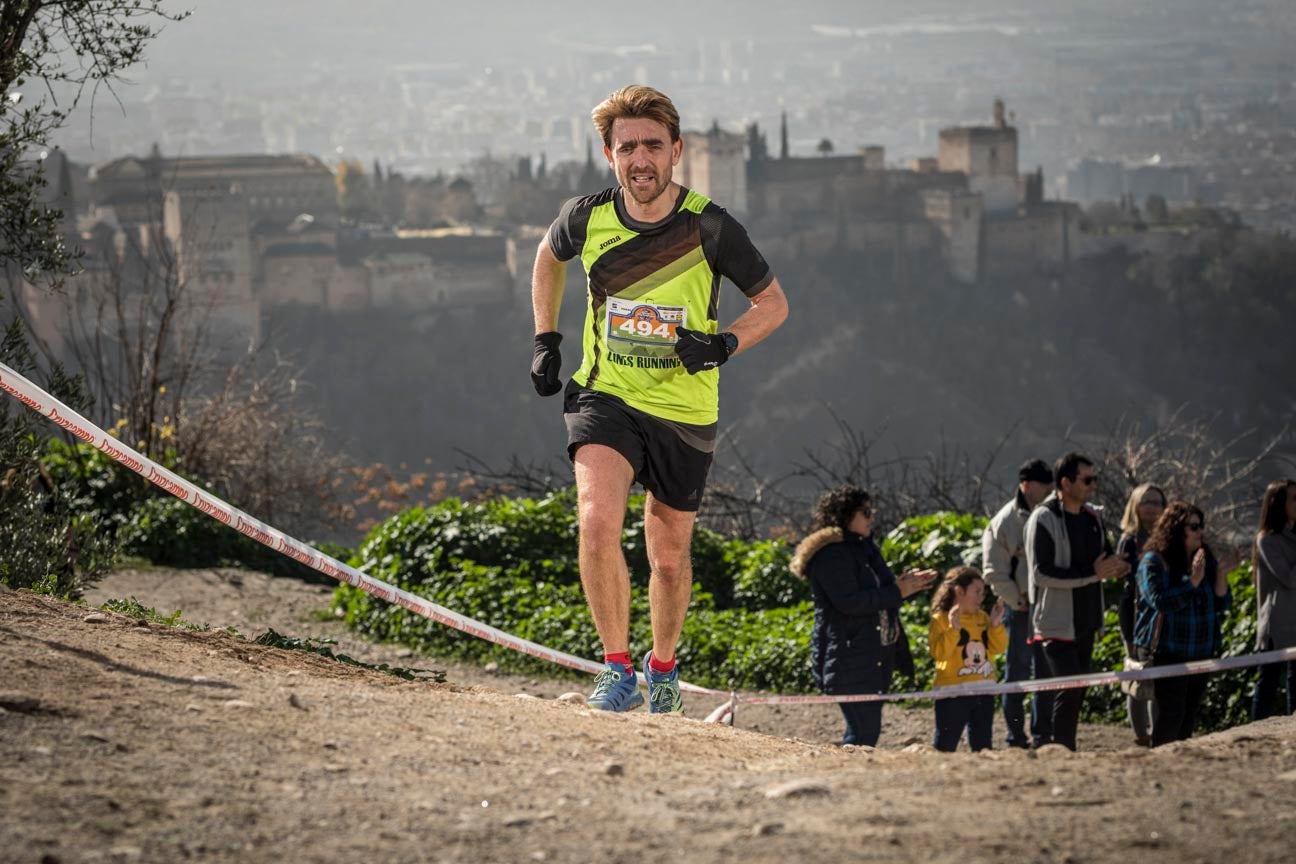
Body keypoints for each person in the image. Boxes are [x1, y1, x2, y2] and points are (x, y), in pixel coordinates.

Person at [529, 85, 789, 714]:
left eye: (652, 145)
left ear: (676, 151)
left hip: (685, 411)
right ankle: (616, 670)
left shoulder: (711, 226)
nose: (639, 158)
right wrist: (545, 338)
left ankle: (663, 669)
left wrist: (723, 344)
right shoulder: (586, 218)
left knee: (668, 561)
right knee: (596, 525)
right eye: (627, 147)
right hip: (605, 396)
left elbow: (774, 305)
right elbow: (546, 254)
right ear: (608, 154)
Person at [791, 485, 938, 746]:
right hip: (848, 655)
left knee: (866, 730)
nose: (872, 517)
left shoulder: (864, 548)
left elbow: (883, 592)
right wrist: (898, 591)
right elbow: (850, 602)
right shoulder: (831, 555)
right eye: (866, 512)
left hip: (872, 654)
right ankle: (840, 776)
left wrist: (906, 584)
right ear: (846, 515)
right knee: (863, 731)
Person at [1024, 452, 1130, 750]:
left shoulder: (1093, 517)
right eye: (1087, 480)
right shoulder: (1042, 519)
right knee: (1068, 689)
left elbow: (1104, 560)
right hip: (1054, 623)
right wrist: (1092, 574)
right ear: (1065, 483)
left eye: (1095, 479)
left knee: (1077, 690)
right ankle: (1059, 750)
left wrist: (1118, 566)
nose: (1093, 485)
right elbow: (1041, 574)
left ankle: (1062, 748)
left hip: (1086, 620)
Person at [1133, 501, 1231, 746]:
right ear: (1177, 530)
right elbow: (1160, 601)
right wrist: (1191, 582)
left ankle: (1180, 763)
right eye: (1194, 527)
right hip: (1169, 651)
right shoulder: (1154, 562)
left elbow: (1221, 605)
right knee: (1170, 714)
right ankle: (1160, 763)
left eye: (1201, 526)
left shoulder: (1203, 559)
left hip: (1201, 651)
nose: (1200, 532)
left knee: (1188, 715)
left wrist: (1221, 576)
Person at [982, 458, 1055, 748]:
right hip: (1020, 608)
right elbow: (993, 572)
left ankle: (1042, 735)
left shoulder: (1052, 514)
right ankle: (1015, 736)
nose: (1050, 488)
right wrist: (1017, 600)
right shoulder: (1004, 522)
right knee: (1017, 673)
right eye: (1044, 483)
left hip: (1049, 606)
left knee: (1046, 673)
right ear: (1026, 484)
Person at [929, 566, 1009, 752]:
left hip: (984, 690)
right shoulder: (939, 619)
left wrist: (996, 625)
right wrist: (953, 629)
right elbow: (939, 653)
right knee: (944, 746)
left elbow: (998, 648)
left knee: (983, 747)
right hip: (952, 694)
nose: (981, 597)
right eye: (977, 592)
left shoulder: (982, 617)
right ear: (959, 591)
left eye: (983, 592)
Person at [1116, 483, 1167, 746]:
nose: (1151, 507)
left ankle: (1157, 733)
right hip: (1133, 614)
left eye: (1157, 502)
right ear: (1135, 505)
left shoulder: (1168, 537)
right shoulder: (1129, 539)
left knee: (1157, 676)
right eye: (1146, 502)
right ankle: (1140, 735)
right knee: (1137, 673)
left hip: (1160, 614)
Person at [1251, 479, 1296, 720]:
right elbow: (1288, 578)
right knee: (1267, 681)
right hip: (1277, 625)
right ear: (1279, 504)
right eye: (1294, 498)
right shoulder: (1267, 540)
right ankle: (1254, 730)